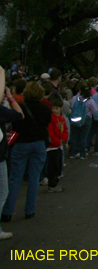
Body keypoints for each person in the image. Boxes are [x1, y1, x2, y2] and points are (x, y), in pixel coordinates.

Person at [1, 81, 51, 221]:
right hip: (39, 143)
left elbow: (15, 125)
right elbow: (46, 123)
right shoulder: (45, 109)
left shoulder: (21, 108)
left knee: (15, 178)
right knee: (34, 178)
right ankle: (30, 210)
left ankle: (7, 211)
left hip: (21, 143)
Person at [0, 84, 24, 238]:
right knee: (3, 192)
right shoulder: (1, 111)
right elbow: (20, 114)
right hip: (0, 156)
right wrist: (9, 96)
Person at [46, 97, 69, 193]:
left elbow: (65, 131)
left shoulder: (62, 119)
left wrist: (63, 140)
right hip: (52, 147)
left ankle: (55, 181)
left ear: (61, 108)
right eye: (53, 108)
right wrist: (57, 141)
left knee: (58, 165)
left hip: (59, 145)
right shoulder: (51, 119)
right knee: (53, 166)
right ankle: (52, 184)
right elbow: (50, 133)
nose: (54, 110)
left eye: (56, 108)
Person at [69, 84, 98, 159]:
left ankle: (72, 153)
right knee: (83, 136)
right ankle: (82, 153)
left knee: (74, 135)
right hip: (86, 118)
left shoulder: (75, 98)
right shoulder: (90, 100)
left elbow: (72, 106)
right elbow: (95, 111)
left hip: (75, 117)